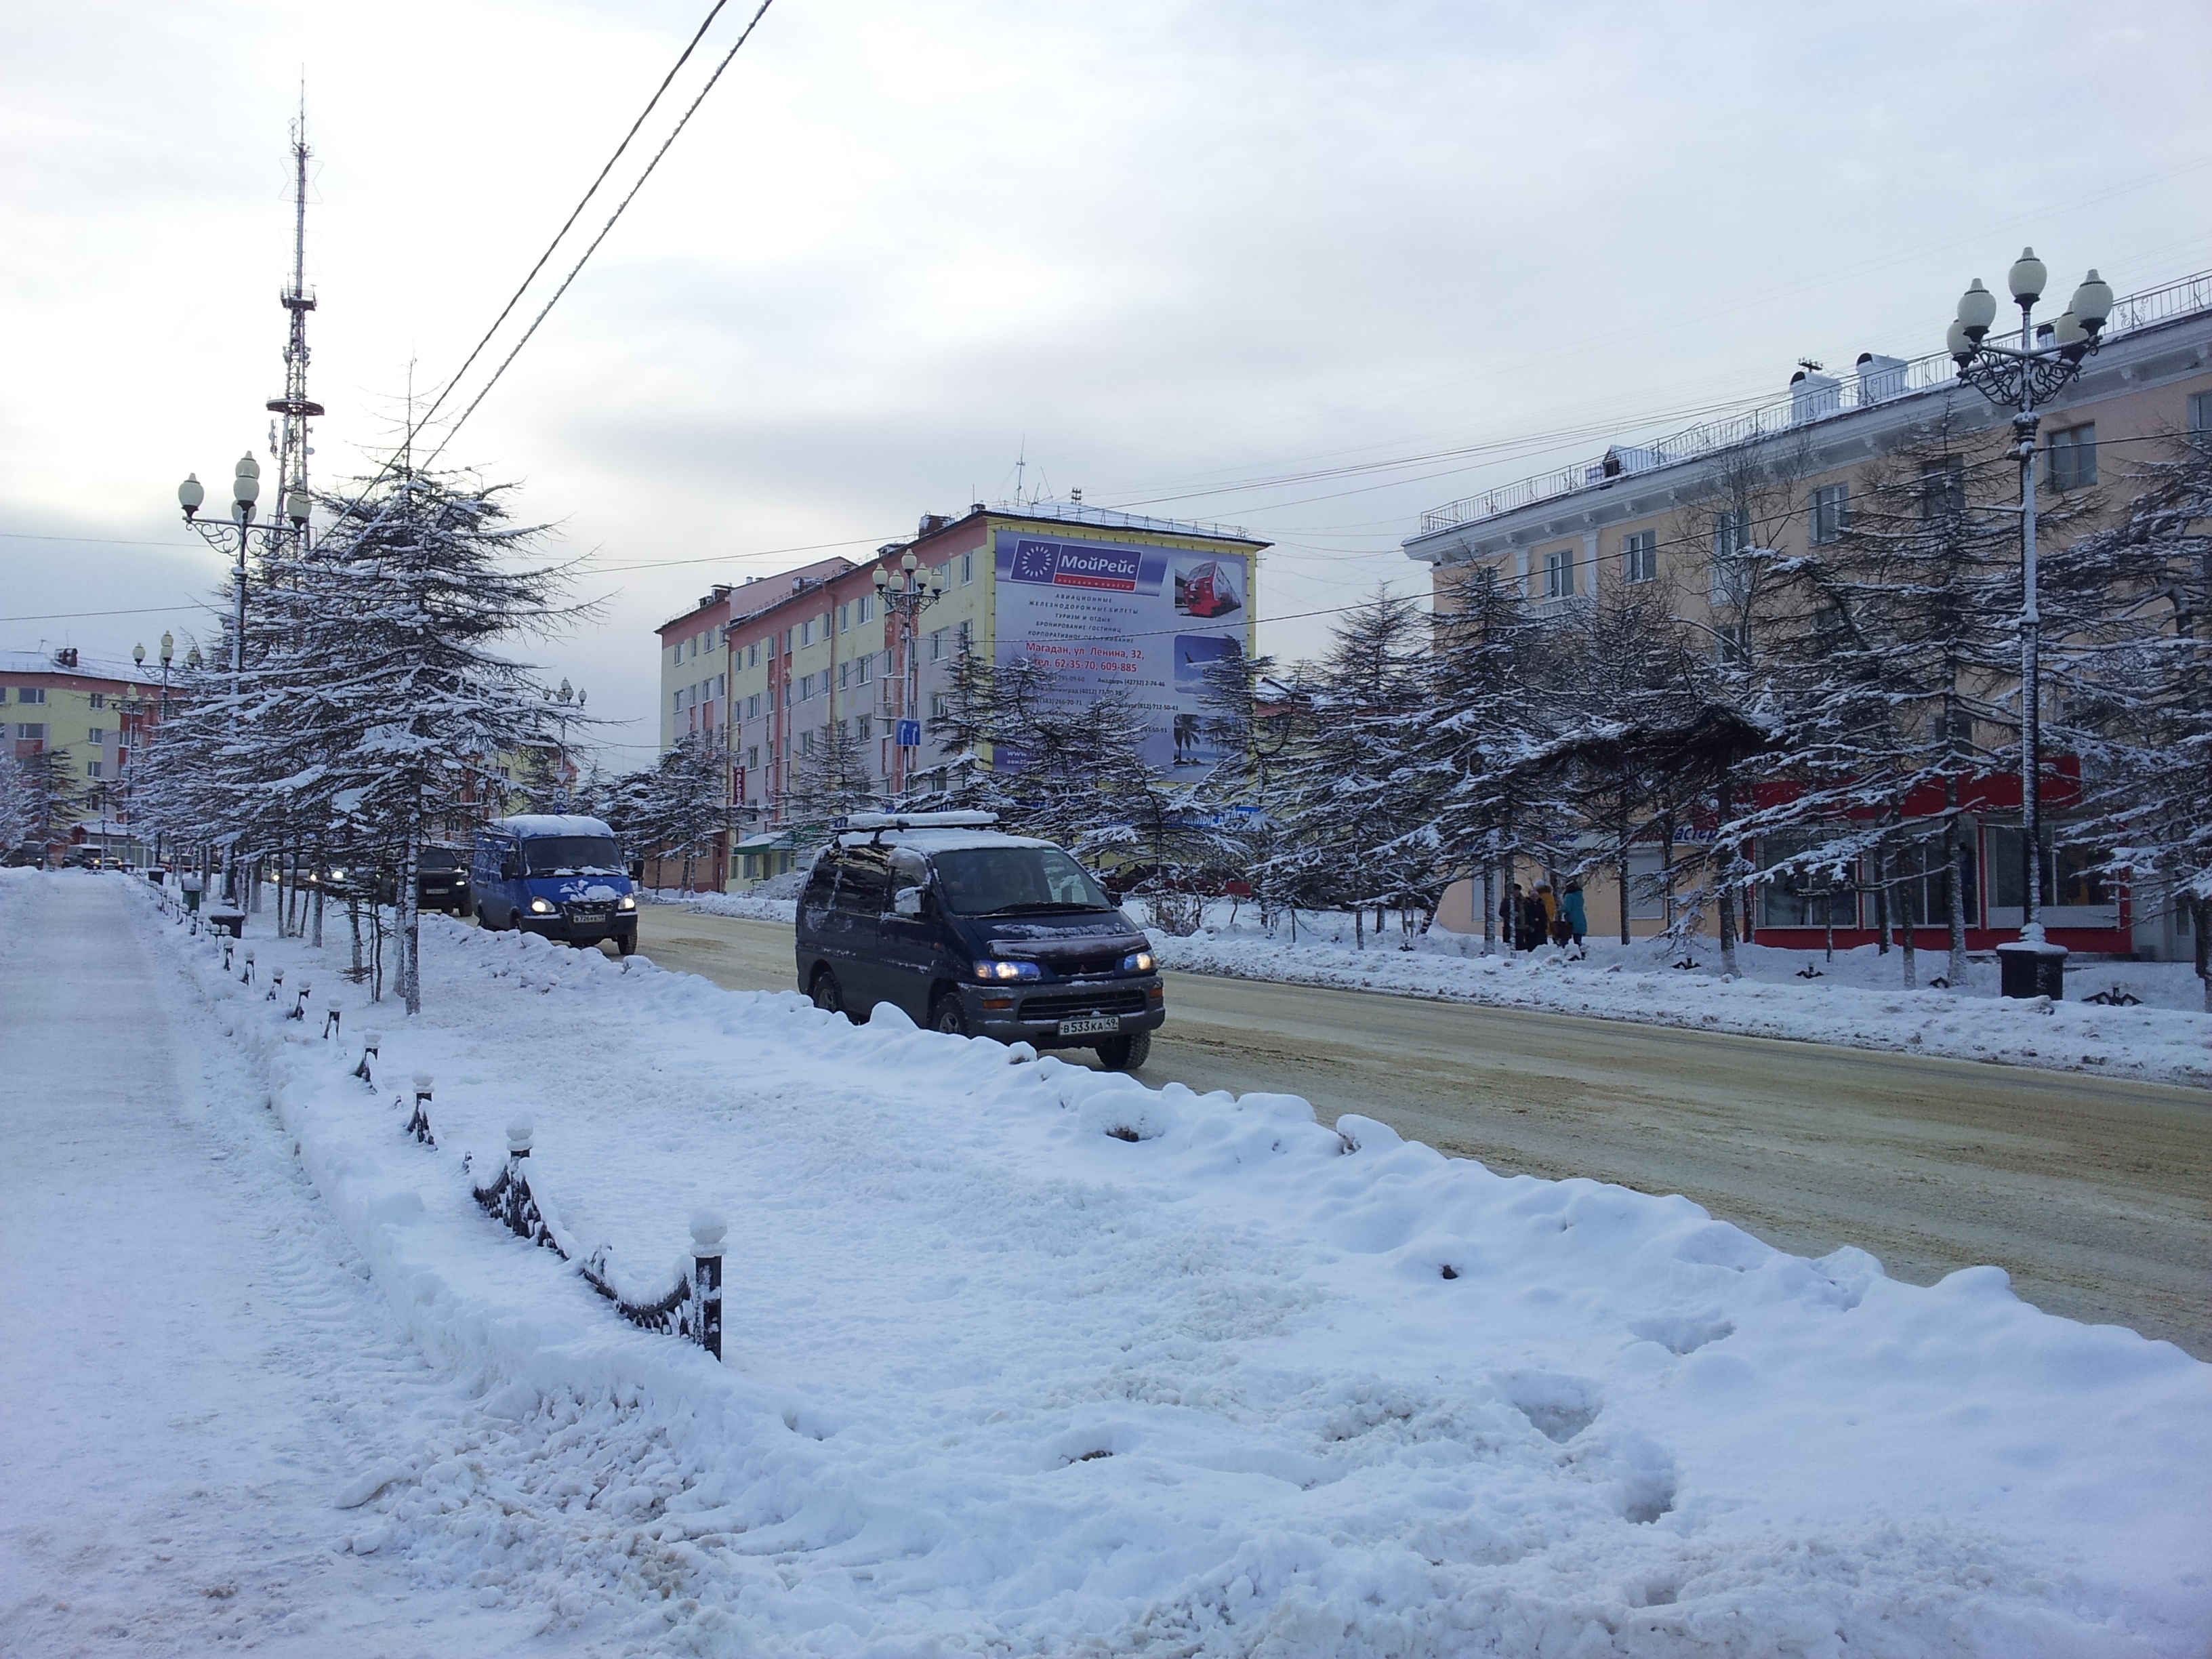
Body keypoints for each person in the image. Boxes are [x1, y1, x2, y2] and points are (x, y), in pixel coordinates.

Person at [1561, 879, 1588, 956]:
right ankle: (1581, 953)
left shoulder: (1569, 896)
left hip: (1571, 922)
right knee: (1578, 941)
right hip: (1581, 920)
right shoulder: (1580, 896)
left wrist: (1560, 908)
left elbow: (1567, 909)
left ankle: (1566, 954)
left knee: (1565, 939)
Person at [1519, 886, 1547, 953]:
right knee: (1532, 942)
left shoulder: (1541, 905)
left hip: (1540, 927)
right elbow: (1526, 916)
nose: (1535, 898)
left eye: (1536, 896)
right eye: (1533, 896)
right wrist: (1528, 925)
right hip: (1531, 927)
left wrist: (1544, 925)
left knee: (1541, 941)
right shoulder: (1527, 905)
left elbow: (1544, 915)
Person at [1500, 883, 1522, 948]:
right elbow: (1502, 912)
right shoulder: (1507, 901)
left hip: (1521, 928)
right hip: (1509, 927)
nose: (1517, 892)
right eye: (1515, 890)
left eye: (1518, 891)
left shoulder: (1523, 901)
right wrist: (1511, 914)